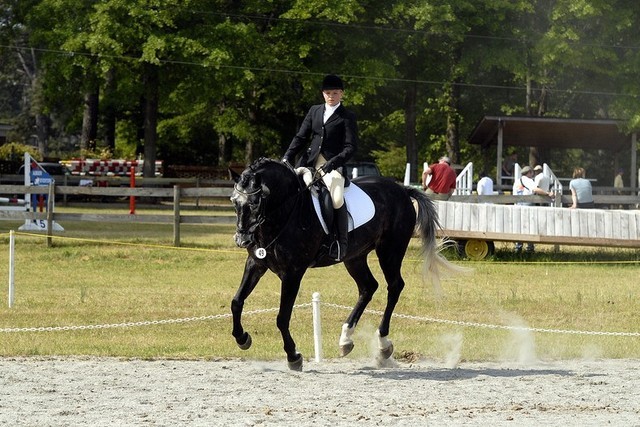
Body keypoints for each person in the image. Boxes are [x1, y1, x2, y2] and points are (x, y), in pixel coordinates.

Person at [282, 74, 358, 261]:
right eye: (327, 93)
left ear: (341, 94)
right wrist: (287, 157)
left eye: (335, 93)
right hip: (308, 163)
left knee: (337, 198)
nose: (331, 96)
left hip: (332, 165)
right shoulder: (314, 111)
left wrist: (333, 164)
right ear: (323, 94)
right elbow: (301, 137)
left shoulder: (347, 116)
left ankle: (340, 242)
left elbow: (350, 147)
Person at [513, 165, 554, 253]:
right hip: (527, 205)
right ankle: (529, 248)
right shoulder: (528, 180)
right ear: (529, 172)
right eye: (532, 172)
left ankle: (518, 247)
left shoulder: (517, 181)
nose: (533, 174)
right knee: (529, 226)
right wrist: (547, 193)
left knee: (519, 227)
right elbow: (535, 189)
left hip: (518, 205)